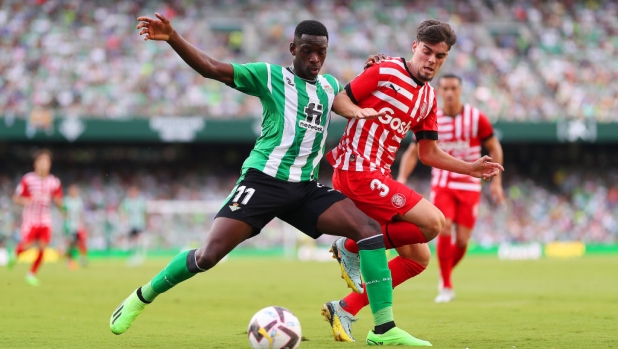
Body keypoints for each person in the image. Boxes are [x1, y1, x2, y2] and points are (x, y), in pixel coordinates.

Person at [110, 13, 426, 346]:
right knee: (207, 256)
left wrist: (365, 87)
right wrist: (173, 37)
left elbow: (344, 100)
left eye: (321, 52)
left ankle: (383, 329)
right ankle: (142, 296)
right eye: (307, 51)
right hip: (263, 182)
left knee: (368, 230)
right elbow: (211, 68)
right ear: (293, 48)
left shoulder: (330, 85)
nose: (315, 58)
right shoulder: (269, 77)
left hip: (304, 188)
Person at [321, 20, 504, 342]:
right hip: (355, 170)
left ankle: (349, 310)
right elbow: (339, 99)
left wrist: (469, 168)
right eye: (427, 51)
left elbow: (429, 153)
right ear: (414, 47)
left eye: (440, 56)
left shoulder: (428, 100)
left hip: (378, 175)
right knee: (433, 222)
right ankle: (350, 246)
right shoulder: (385, 71)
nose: (432, 60)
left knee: (418, 258)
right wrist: (358, 113)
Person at [396, 73, 504, 303]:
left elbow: (494, 147)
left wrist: (496, 182)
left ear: (460, 90)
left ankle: (444, 273)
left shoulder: (476, 118)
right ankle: (446, 285)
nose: (449, 93)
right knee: (444, 230)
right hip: (443, 183)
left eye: (453, 88)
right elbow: (413, 152)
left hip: (469, 185)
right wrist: (402, 178)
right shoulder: (432, 119)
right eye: (444, 88)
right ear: (439, 91)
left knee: (463, 241)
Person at [8, 149, 63, 286]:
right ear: (36, 163)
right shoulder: (28, 179)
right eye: (41, 161)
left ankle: (31, 274)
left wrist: (59, 203)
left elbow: (58, 200)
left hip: (45, 219)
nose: (44, 164)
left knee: (42, 247)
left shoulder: (54, 181)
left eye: (47, 161)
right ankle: (15, 254)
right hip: (30, 218)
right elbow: (16, 198)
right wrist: (25, 201)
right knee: (27, 245)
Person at [119, 186, 147, 266]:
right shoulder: (127, 201)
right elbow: (123, 212)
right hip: (131, 224)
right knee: (131, 241)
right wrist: (124, 222)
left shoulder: (140, 201)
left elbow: (144, 212)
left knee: (139, 240)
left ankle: (139, 256)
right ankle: (132, 256)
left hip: (139, 223)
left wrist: (145, 222)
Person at [62, 184, 88, 269]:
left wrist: (82, 223)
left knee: (82, 241)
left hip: (78, 225)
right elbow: (64, 213)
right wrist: (66, 224)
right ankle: (69, 260)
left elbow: (81, 213)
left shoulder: (79, 200)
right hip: (70, 225)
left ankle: (82, 258)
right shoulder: (66, 201)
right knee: (71, 243)